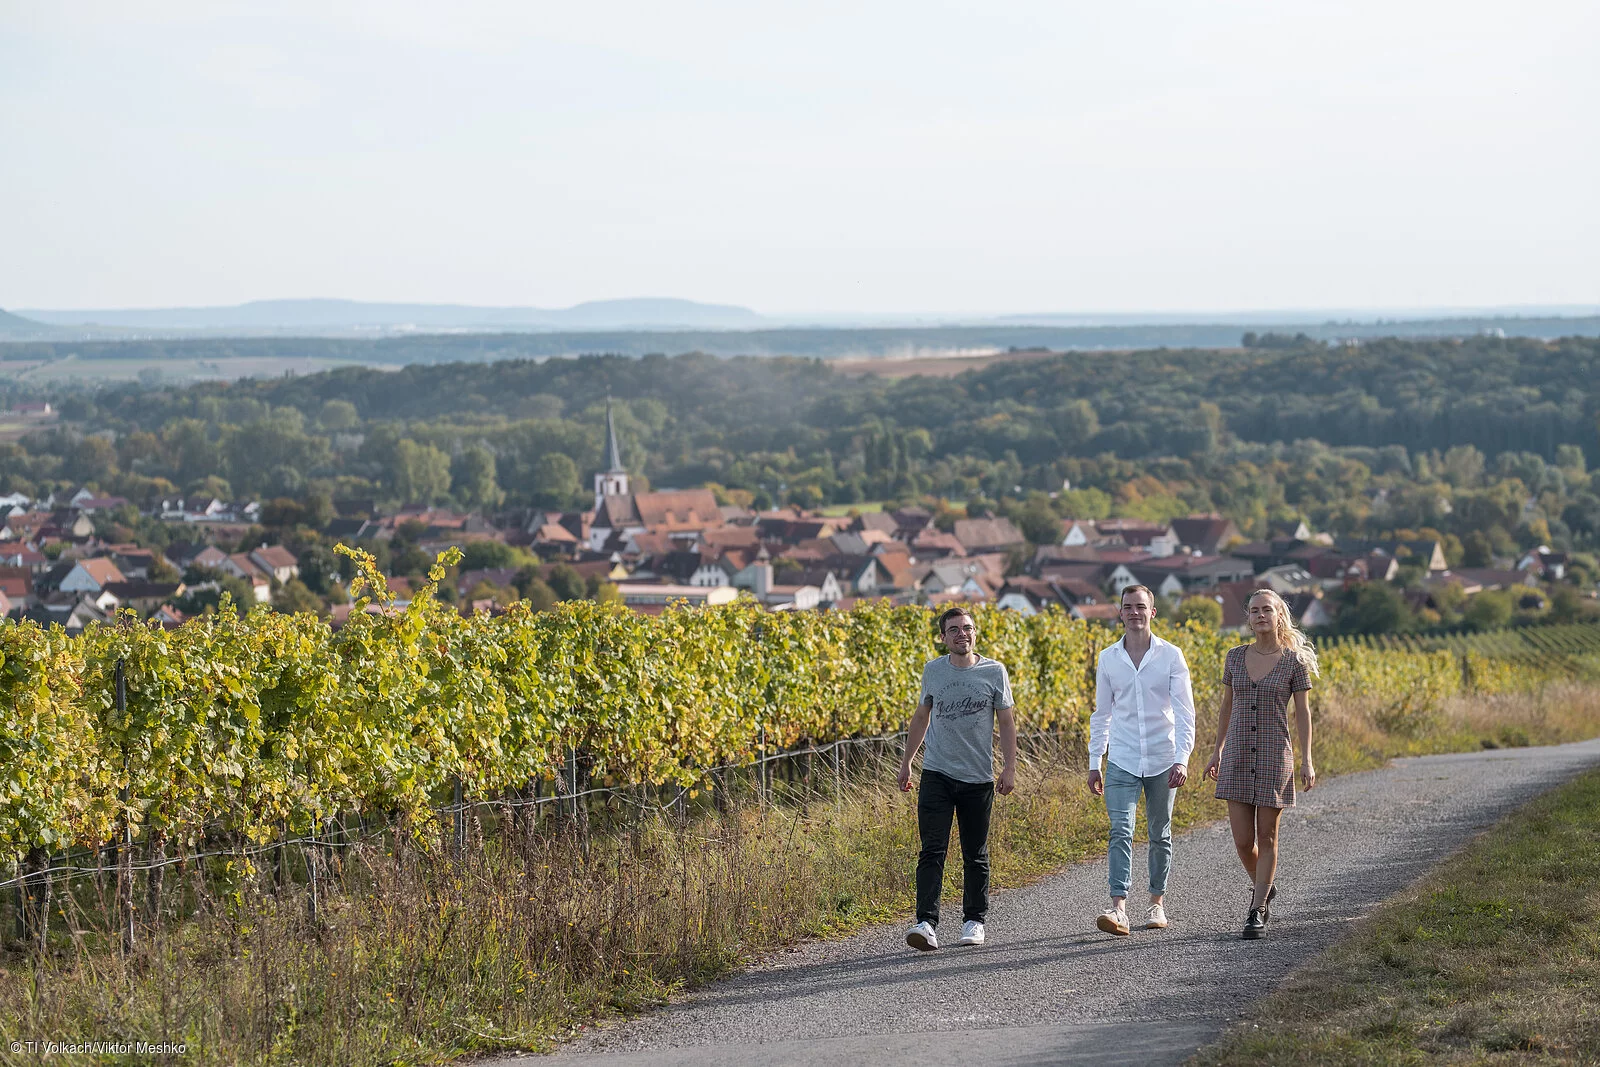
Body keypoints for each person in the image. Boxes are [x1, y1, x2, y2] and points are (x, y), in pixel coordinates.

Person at [898, 605, 1018, 952]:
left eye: (967, 628)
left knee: (975, 853)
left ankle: (974, 921)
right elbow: (922, 716)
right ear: (943, 637)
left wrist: (1009, 766)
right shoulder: (933, 671)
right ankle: (925, 923)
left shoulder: (994, 672)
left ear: (974, 633)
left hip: (978, 777)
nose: (962, 634)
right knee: (931, 850)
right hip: (936, 773)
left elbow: (1007, 722)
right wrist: (907, 762)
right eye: (954, 630)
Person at [1203, 587, 1318, 940]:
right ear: (1249, 619)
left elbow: (1303, 713)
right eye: (1254, 611)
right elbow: (1226, 708)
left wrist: (1307, 760)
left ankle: (1257, 909)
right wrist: (1217, 749)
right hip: (1236, 754)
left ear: (1279, 615)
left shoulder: (1293, 662)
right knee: (1242, 840)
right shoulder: (1234, 658)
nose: (1260, 615)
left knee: (1267, 836)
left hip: (1274, 755)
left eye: (1267, 609)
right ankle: (1264, 886)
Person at [1088, 584, 1197, 936]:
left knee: (1159, 832)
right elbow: (1101, 713)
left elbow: (1185, 714)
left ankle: (1156, 903)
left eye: (1140, 606)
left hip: (1163, 758)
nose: (1134, 612)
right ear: (1119, 613)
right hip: (1121, 757)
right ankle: (1118, 908)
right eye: (1127, 606)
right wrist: (1095, 761)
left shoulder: (1171, 656)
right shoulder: (1108, 658)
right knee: (1120, 829)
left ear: (1153, 612)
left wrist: (1182, 759)